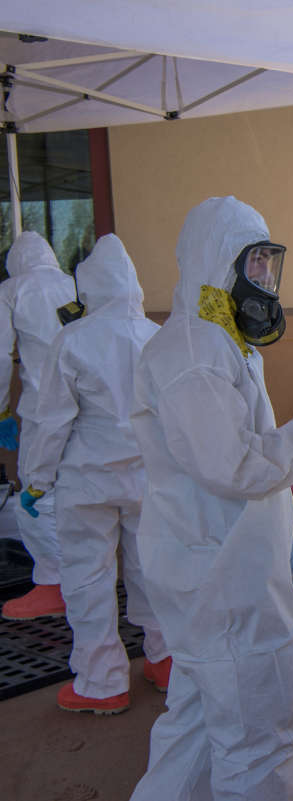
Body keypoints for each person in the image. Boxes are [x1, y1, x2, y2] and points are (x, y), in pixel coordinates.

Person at [128, 197, 293, 801]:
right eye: (254, 266)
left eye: (270, 266)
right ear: (219, 264)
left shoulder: (216, 342)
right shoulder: (192, 350)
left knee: (197, 730)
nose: (264, 281)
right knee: (259, 741)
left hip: (214, 571)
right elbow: (233, 464)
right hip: (224, 581)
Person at [19, 234, 169, 714]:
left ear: (89, 287)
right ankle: (164, 659)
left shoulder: (73, 339)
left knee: (88, 577)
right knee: (153, 570)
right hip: (147, 479)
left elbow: (51, 420)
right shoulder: (156, 337)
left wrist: (35, 480)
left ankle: (101, 683)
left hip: (86, 482)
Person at [0, 231, 76, 620]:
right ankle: (84, 579)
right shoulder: (76, 284)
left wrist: (0, 412)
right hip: (87, 411)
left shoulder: (13, 290)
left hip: (43, 412)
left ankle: (53, 583)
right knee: (81, 497)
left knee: (36, 496)